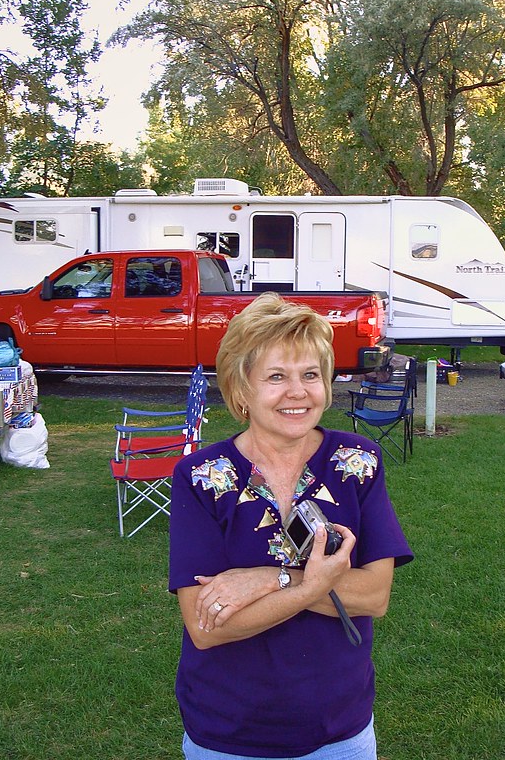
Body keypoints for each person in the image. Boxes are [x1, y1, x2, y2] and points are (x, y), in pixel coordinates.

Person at [169, 293, 414, 759]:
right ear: (241, 390)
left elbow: (373, 596)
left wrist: (271, 578)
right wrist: (315, 587)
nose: (298, 392)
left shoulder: (357, 462)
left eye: (311, 375)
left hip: (339, 728)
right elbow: (207, 626)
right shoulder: (202, 476)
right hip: (229, 730)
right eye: (276, 376)